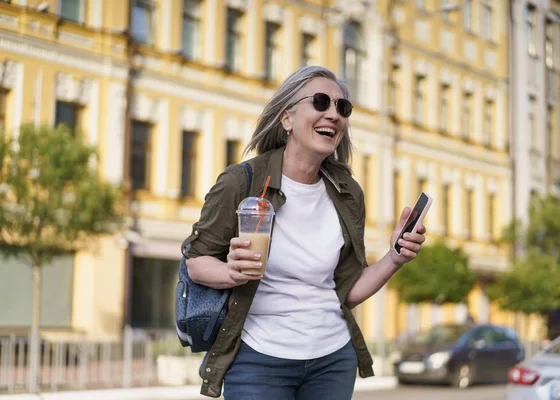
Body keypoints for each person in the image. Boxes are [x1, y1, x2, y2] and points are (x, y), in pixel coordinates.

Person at [183, 66, 427, 399]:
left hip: (332, 358)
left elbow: (347, 292)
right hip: (258, 359)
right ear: (287, 118)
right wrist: (231, 272)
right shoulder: (242, 182)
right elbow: (197, 262)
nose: (334, 115)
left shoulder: (347, 192)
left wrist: (395, 257)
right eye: (321, 102)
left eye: (342, 109)